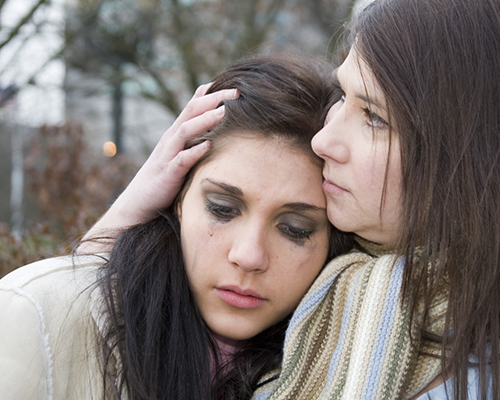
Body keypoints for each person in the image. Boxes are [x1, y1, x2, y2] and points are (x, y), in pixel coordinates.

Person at [83, 0, 500, 399]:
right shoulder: (324, 304)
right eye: (342, 98)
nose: (324, 141)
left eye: (373, 117)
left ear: (466, 149)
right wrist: (130, 210)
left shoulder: (465, 353)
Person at [0, 56, 355, 399]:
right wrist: (128, 208)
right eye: (223, 209)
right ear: (179, 197)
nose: (248, 256)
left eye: (295, 229)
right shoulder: (33, 316)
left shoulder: (357, 364)